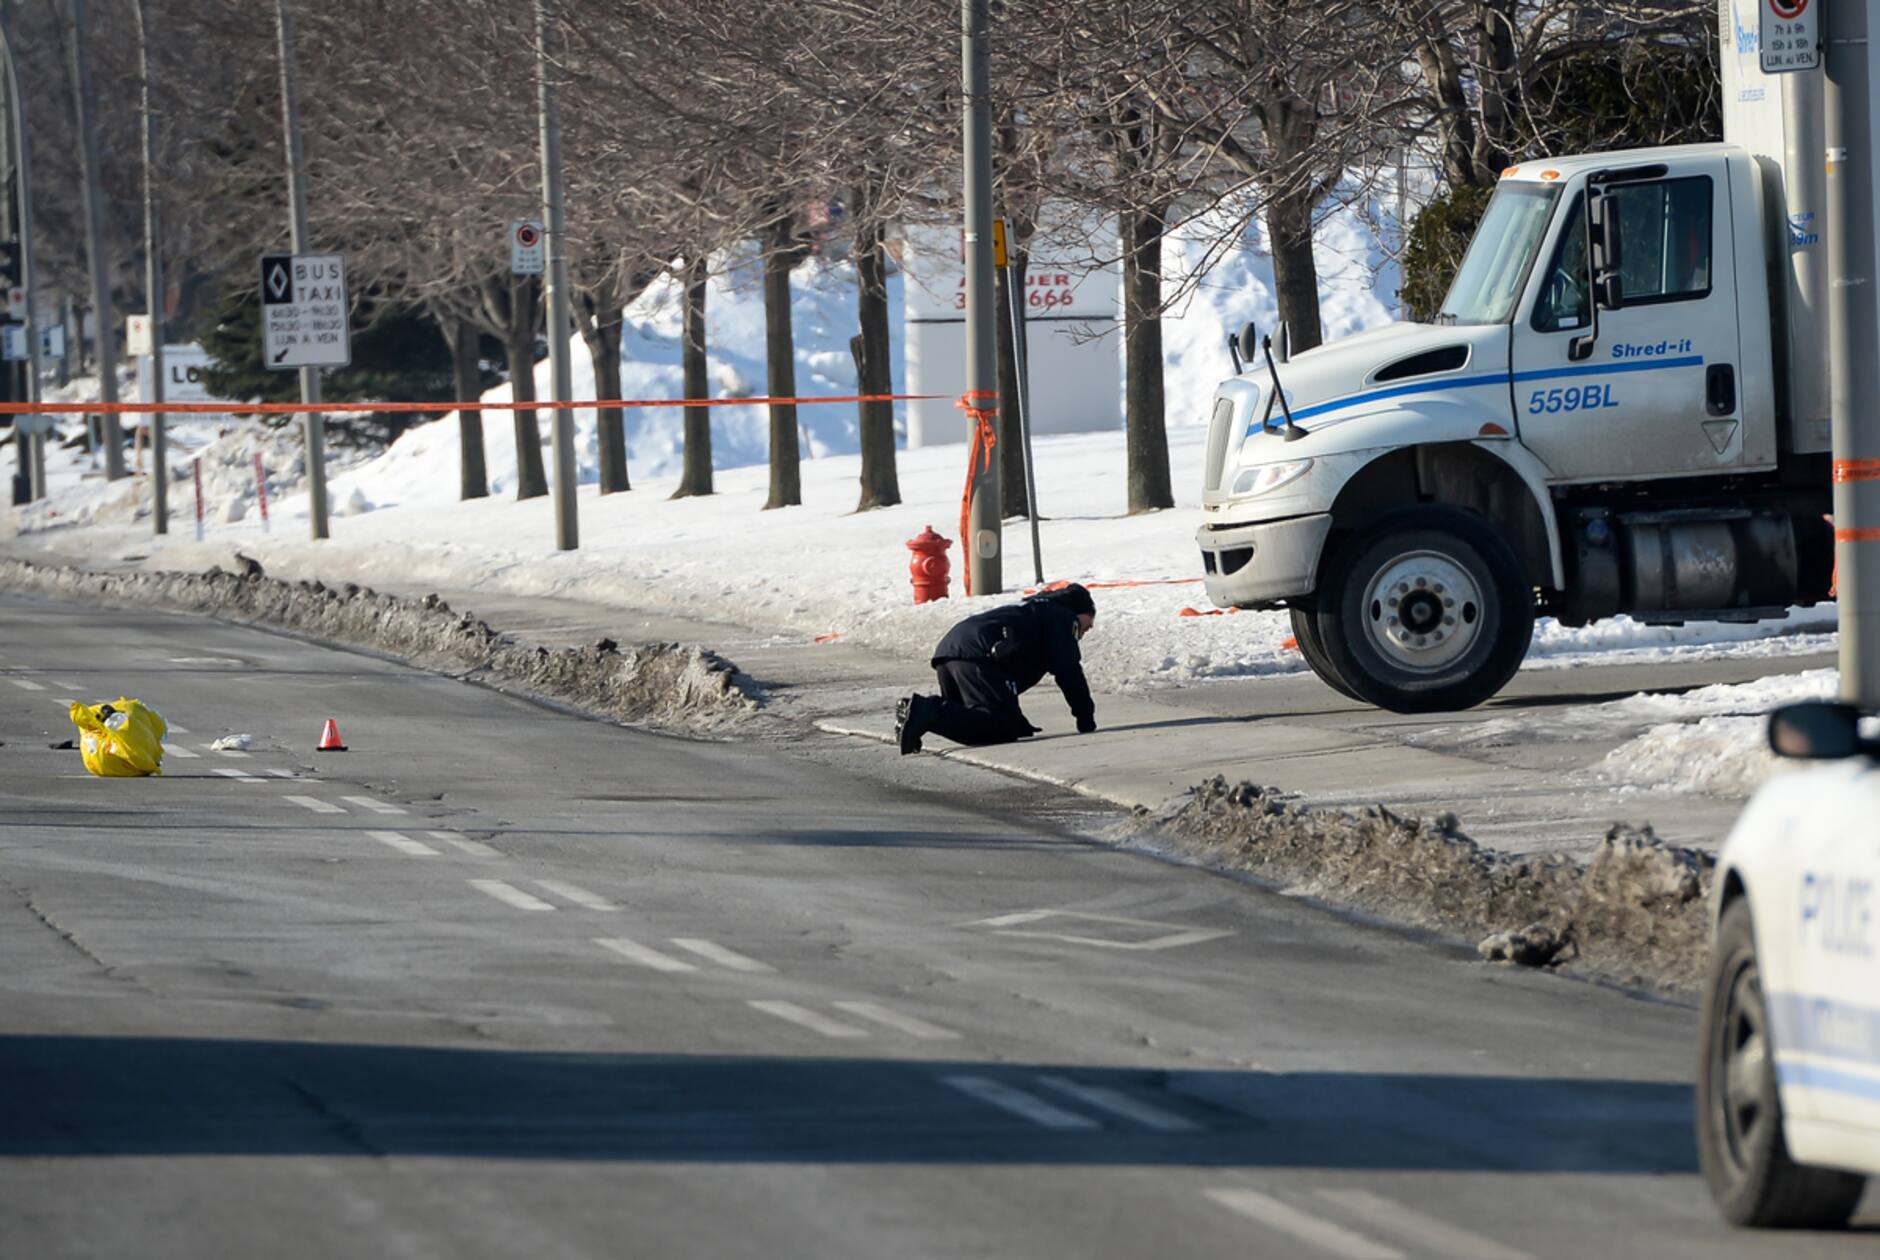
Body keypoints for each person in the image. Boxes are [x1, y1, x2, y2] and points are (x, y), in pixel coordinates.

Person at [895, 583, 1097, 755]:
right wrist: (1085, 717)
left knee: (967, 721)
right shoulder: (1062, 617)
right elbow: (1068, 671)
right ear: (1078, 612)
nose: (1084, 632)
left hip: (951, 650)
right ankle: (926, 710)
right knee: (1000, 727)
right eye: (1087, 624)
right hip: (978, 655)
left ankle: (916, 714)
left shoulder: (1033, 608)